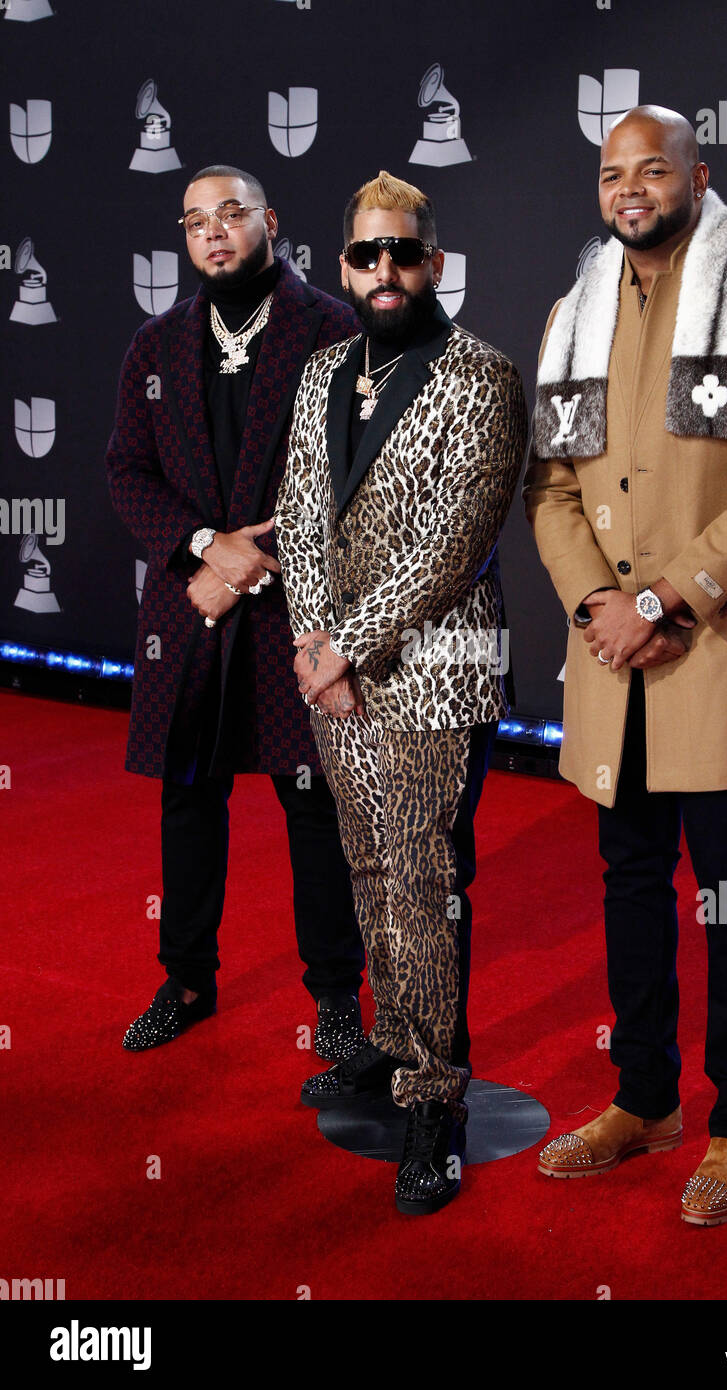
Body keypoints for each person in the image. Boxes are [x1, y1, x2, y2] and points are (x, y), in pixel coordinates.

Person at [524, 107, 727, 1225]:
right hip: (613, 659)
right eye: (613, 174)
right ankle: (643, 1098)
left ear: (698, 175)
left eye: (652, 169)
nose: (630, 188)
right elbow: (552, 490)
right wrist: (601, 604)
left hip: (712, 651)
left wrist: (661, 601)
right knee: (628, 883)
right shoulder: (573, 314)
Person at [275, 171, 527, 1215]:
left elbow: (452, 549)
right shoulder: (322, 371)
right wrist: (308, 641)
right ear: (344, 265)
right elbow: (294, 514)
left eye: (404, 254)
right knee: (366, 860)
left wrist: (345, 648)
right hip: (333, 670)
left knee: (421, 878)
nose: (386, 271)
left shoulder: (481, 377)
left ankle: (436, 1100)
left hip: (434, 667)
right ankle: (388, 1044)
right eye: (367, 255)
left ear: (434, 262)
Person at [106, 164, 367, 1063]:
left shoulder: (331, 330)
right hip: (189, 608)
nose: (213, 233)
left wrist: (247, 565)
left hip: (299, 614)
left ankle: (335, 998)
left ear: (269, 221)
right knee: (189, 799)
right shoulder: (156, 345)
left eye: (230, 215)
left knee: (314, 806)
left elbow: (352, 483)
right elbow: (126, 473)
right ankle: (185, 978)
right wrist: (201, 548)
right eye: (194, 223)